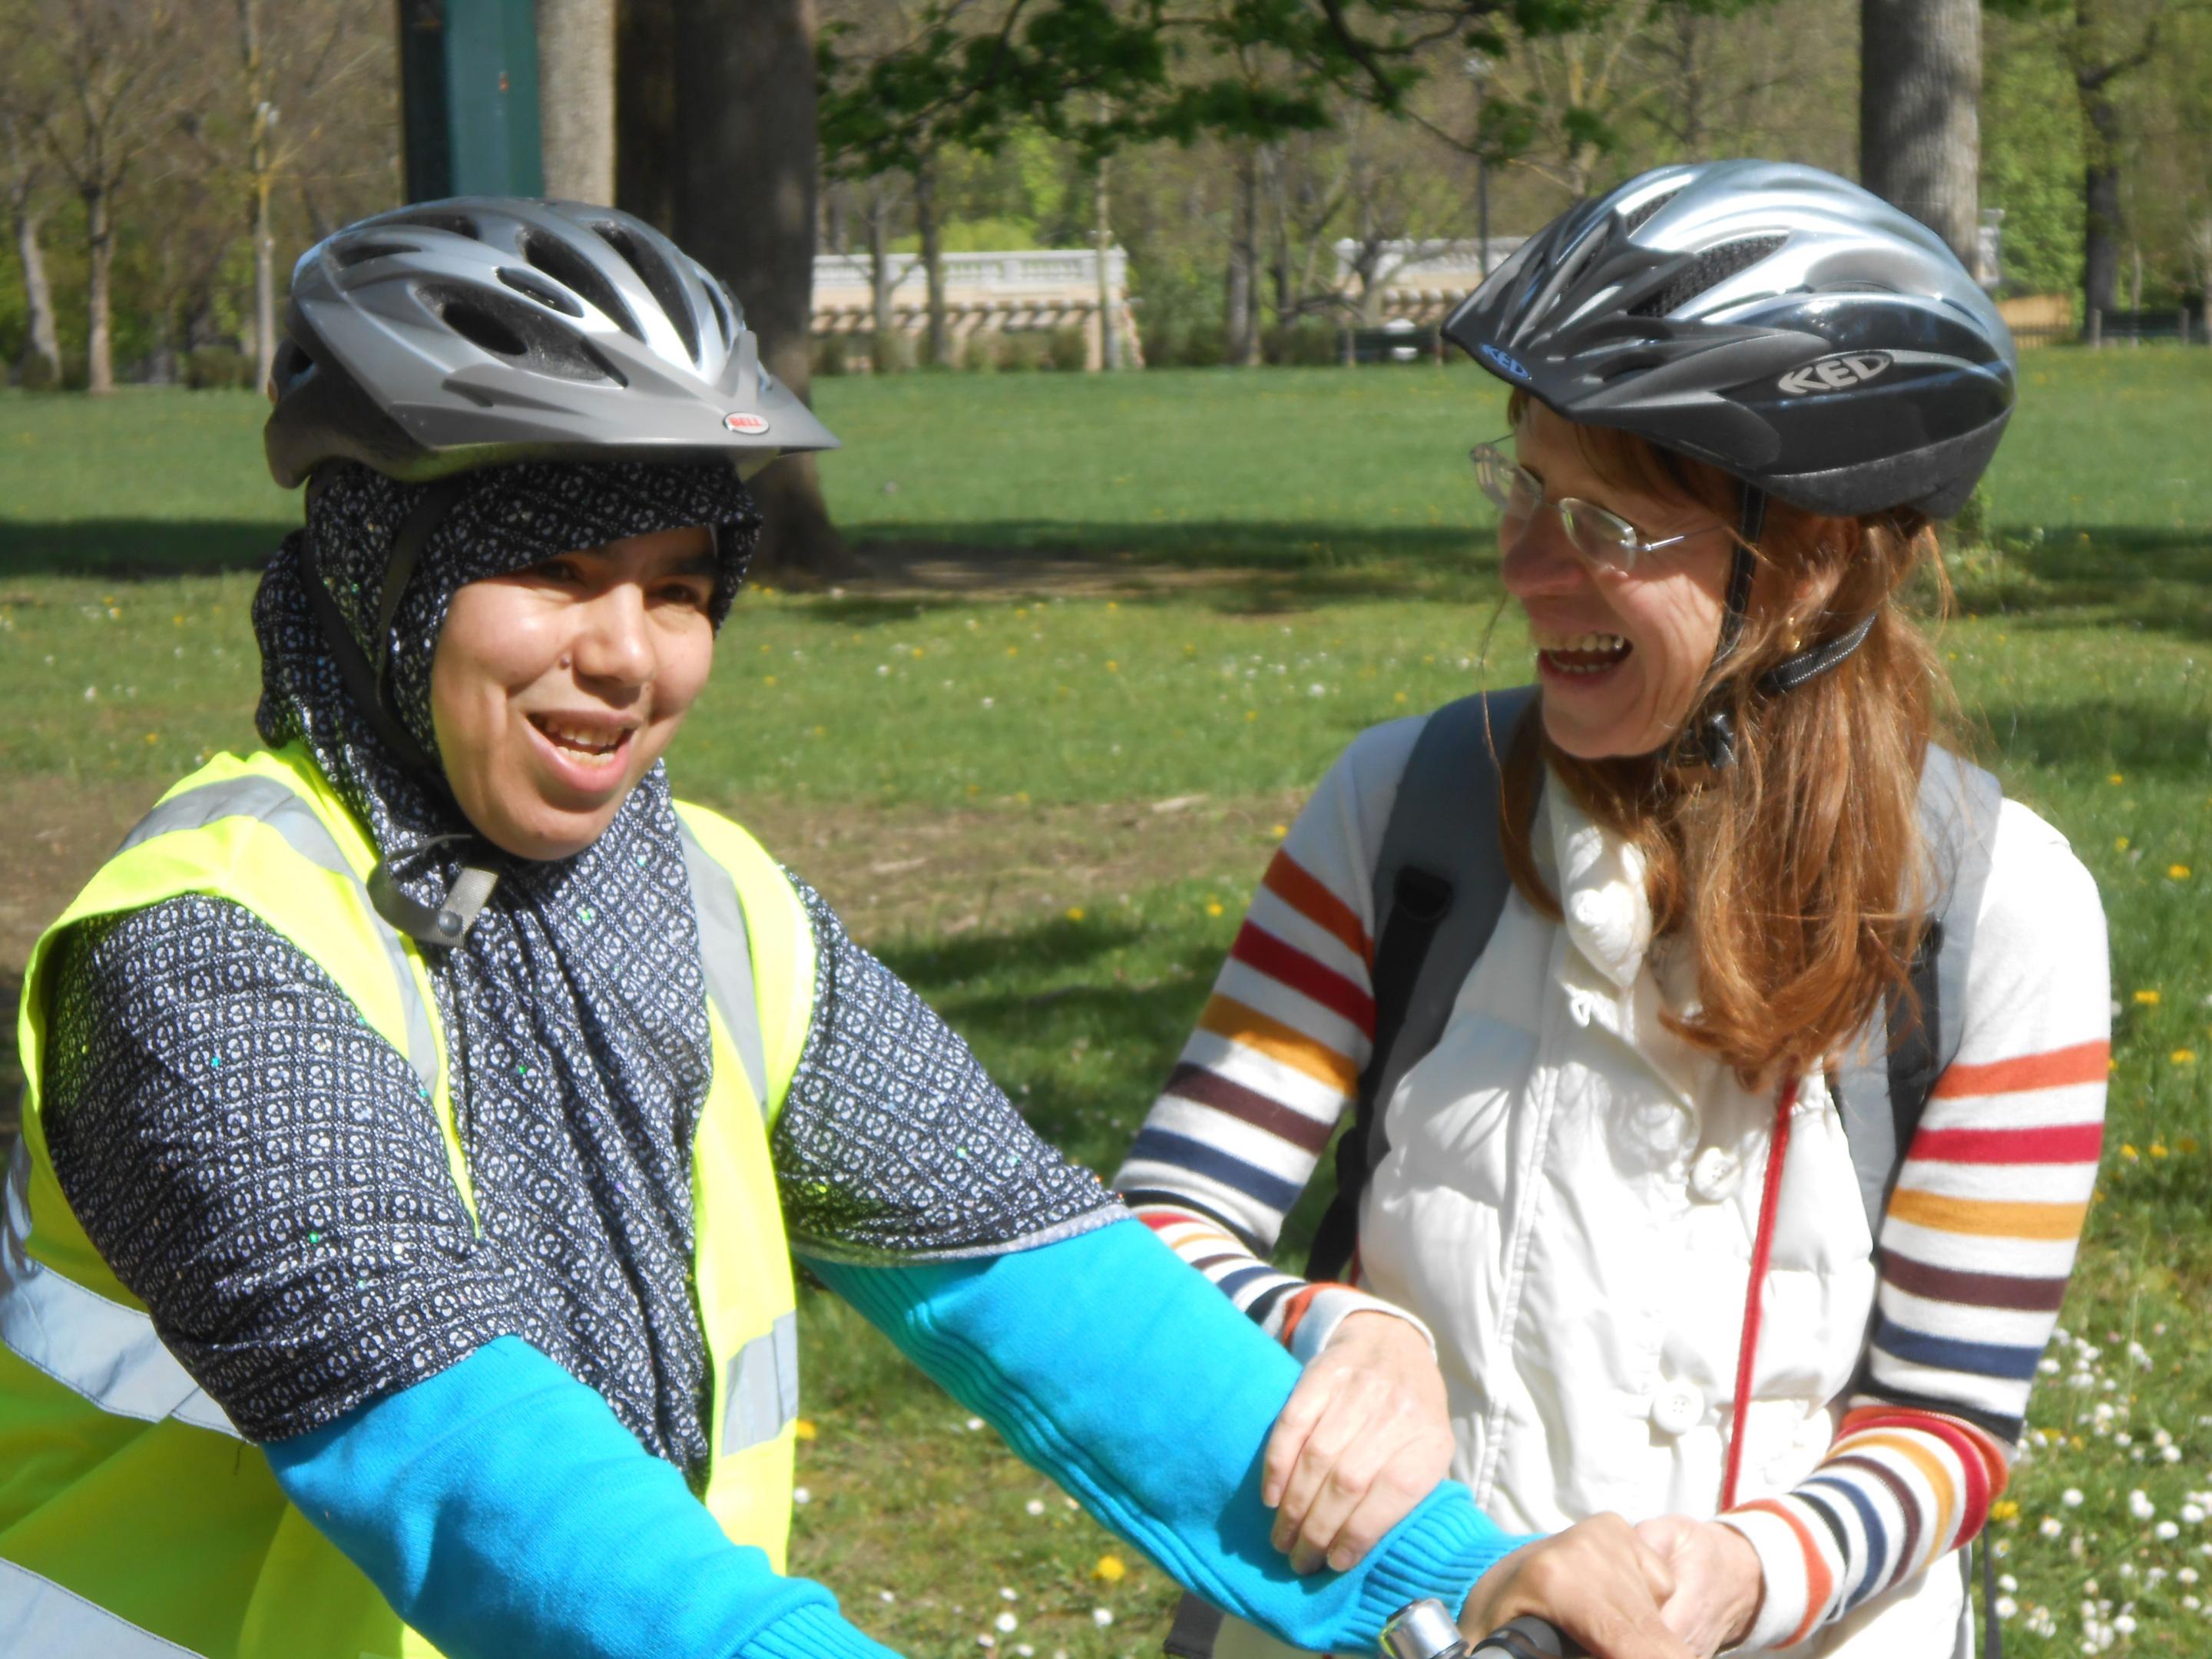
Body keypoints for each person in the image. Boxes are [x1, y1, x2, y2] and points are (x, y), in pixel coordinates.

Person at [0, 199, 1687, 1659]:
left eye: (678, 585)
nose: (628, 656)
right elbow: (450, 1443)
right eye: (555, 571)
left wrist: (1451, 1576)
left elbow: (1043, 1283)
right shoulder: (201, 958)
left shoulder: (702, 903)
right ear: (384, 564)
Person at [1118, 160, 2107, 1659]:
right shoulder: (1400, 815)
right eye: (1524, 487)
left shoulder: (2002, 911)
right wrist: (1337, 1327)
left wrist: (1745, 1573)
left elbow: (1947, 1419)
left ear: (1816, 559)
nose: (1525, 566)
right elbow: (1165, 1222)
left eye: (1613, 524)